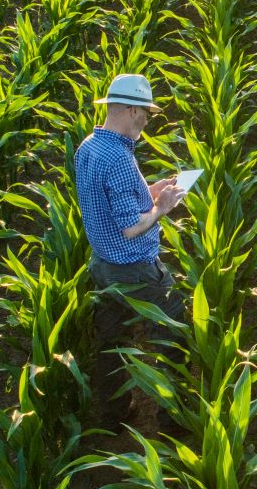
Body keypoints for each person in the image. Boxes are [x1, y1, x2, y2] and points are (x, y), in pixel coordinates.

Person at [73, 72, 186, 400]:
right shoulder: (119, 158)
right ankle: (174, 420)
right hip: (134, 266)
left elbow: (109, 202)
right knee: (173, 335)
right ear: (133, 111)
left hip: (102, 264)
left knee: (111, 342)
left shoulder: (90, 147)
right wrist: (162, 208)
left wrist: (152, 190)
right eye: (147, 114)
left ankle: (112, 414)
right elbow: (130, 227)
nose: (148, 121)